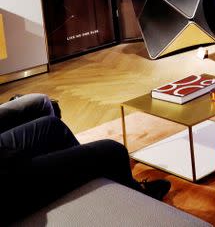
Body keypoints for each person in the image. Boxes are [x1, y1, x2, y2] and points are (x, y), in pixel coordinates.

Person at [0, 93, 171, 222]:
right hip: (9, 178)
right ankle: (136, 201)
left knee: (53, 126)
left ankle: (97, 185)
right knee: (114, 151)